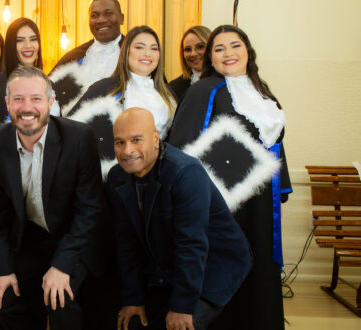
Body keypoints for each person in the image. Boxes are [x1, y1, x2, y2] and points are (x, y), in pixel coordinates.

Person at [167, 25, 292, 330]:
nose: (228, 54)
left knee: (260, 266)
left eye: (235, 46)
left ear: (247, 51)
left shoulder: (260, 90)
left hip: (262, 201)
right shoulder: (205, 90)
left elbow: (273, 145)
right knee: (231, 266)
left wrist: (282, 186)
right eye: (219, 49)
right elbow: (182, 147)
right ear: (211, 57)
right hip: (224, 204)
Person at [0, 66, 104, 330]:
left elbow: (90, 210)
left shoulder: (80, 138)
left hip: (73, 238)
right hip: (30, 241)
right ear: (7, 103)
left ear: (50, 102)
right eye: (18, 99)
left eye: (36, 99)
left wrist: (62, 265)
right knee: (2, 300)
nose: (27, 107)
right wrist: (2, 270)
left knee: (59, 299)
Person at [108, 108, 252, 330]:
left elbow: (192, 244)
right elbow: (127, 243)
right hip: (168, 266)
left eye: (136, 140)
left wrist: (182, 307)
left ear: (155, 138)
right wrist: (133, 299)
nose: (128, 151)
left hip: (214, 263)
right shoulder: (118, 177)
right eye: (120, 142)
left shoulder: (185, 173)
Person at [66, 25, 176, 178]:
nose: (147, 54)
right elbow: (71, 130)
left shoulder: (168, 96)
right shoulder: (104, 88)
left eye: (154, 48)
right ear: (126, 52)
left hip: (156, 177)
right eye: (139, 47)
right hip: (114, 177)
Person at [50, 0, 125, 116]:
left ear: (121, 18)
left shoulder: (135, 55)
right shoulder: (73, 57)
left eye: (108, 13)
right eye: (94, 16)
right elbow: (47, 92)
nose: (101, 20)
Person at [0, 18, 44, 136]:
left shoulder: (48, 83)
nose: (28, 45)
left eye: (33, 39)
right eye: (20, 40)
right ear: (11, 46)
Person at [168, 26, 211, 103]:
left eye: (200, 47)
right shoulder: (174, 88)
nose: (193, 54)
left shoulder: (227, 81)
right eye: (188, 49)